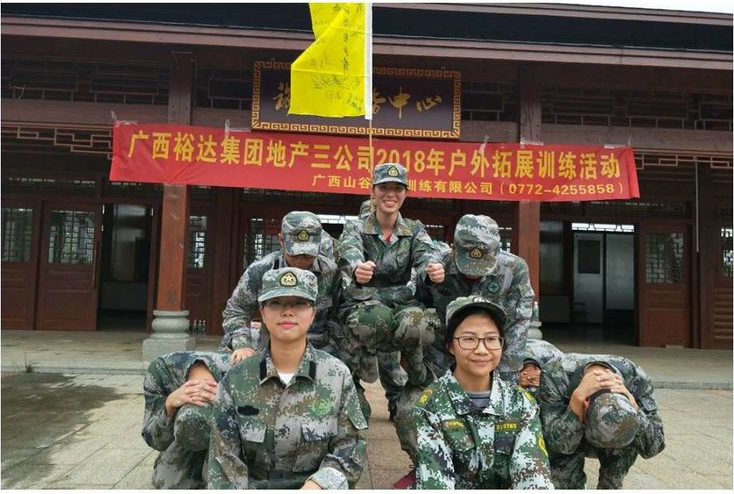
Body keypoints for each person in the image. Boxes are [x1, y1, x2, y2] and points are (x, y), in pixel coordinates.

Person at [207, 267, 368, 489]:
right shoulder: (237, 379)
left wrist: (317, 486)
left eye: (299, 303)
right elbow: (224, 461)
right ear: (263, 313)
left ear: (313, 314)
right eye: (276, 303)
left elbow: (349, 451)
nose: (287, 312)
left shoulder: (336, 376)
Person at [412, 296, 553, 489]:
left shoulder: (521, 403)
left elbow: (533, 477)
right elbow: (437, 483)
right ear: (450, 345)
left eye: (491, 339)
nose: (481, 350)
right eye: (469, 339)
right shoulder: (430, 405)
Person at [338, 162, 444, 389]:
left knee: (419, 323)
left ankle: (414, 380)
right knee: (374, 318)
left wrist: (432, 269)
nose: (390, 194)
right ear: (373, 191)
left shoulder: (414, 229)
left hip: (400, 301)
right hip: (364, 302)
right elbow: (349, 252)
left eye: (397, 188)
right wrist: (358, 268)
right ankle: (360, 367)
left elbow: (427, 255)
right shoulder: (355, 227)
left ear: (406, 193)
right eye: (384, 187)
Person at [220, 211, 342, 365]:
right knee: (231, 360)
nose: (301, 260)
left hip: (318, 347)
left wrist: (339, 351)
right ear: (281, 241)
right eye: (295, 254)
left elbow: (338, 316)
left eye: (307, 254)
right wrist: (242, 344)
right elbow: (236, 310)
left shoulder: (330, 272)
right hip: (272, 345)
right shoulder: (261, 270)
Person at [538, 353, 665, 489]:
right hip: (569, 431)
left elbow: (653, 447)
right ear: (586, 405)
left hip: (616, 434)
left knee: (624, 426)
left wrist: (635, 407)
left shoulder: (637, 380)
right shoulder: (554, 374)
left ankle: (610, 484)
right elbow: (556, 443)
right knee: (563, 482)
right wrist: (576, 400)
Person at [142, 351, 230, 489]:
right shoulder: (160, 370)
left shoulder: (240, 371)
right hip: (180, 443)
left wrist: (230, 408)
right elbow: (154, 440)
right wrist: (169, 406)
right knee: (167, 484)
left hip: (228, 440)